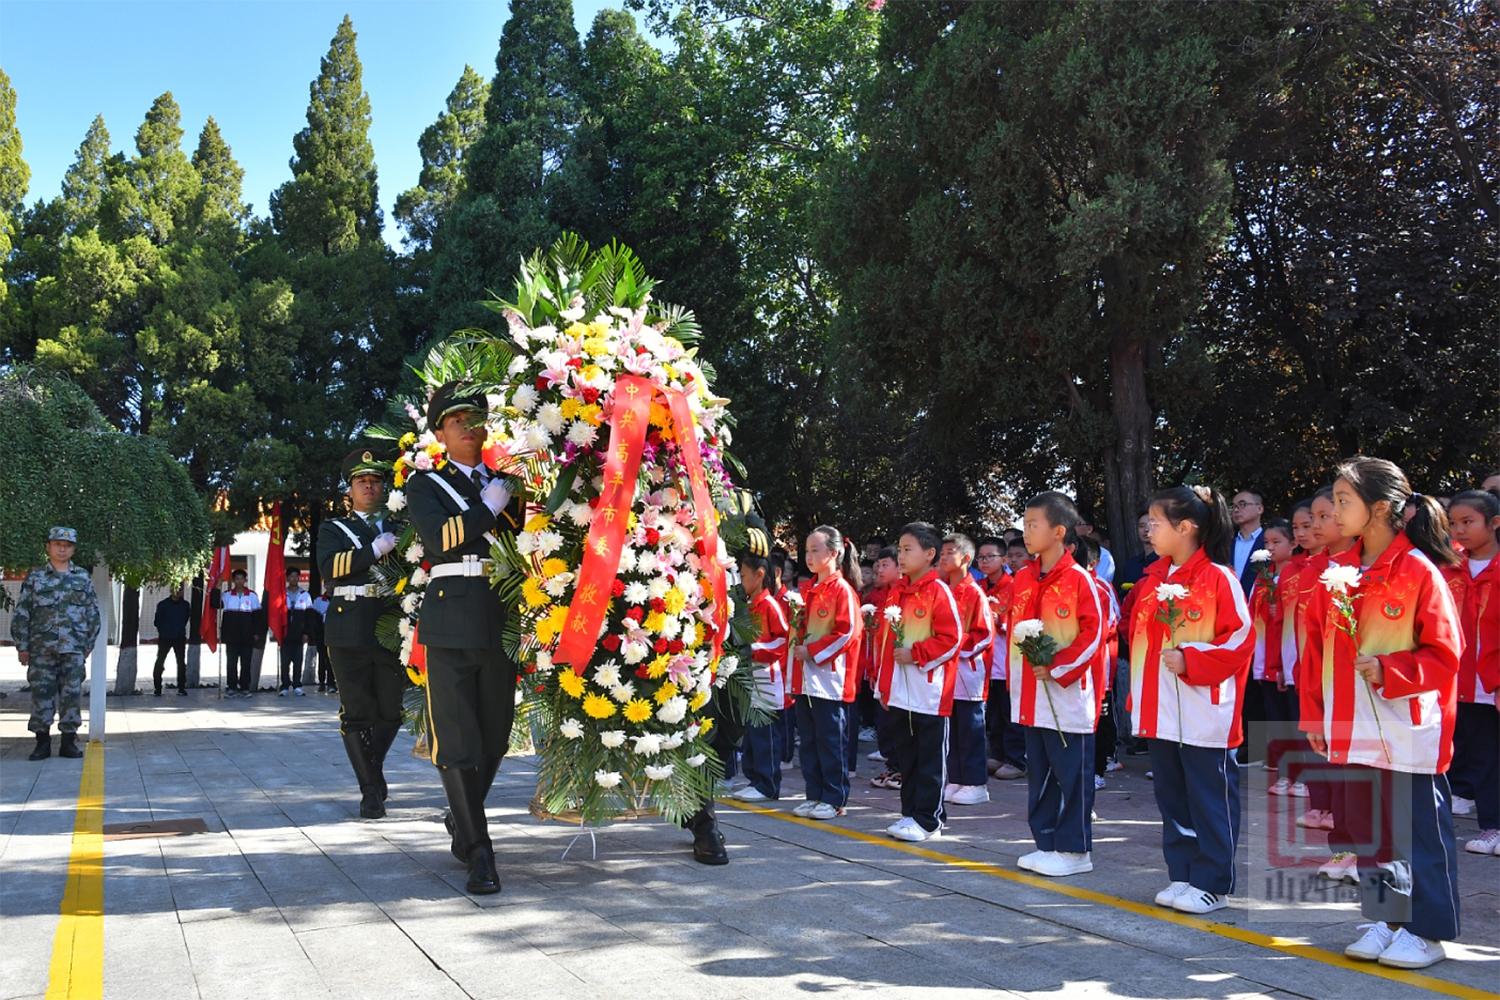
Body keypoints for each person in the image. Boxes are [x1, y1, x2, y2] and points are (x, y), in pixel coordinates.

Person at [1303, 458, 1463, 970]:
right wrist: (1315, 718)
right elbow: (1314, 653)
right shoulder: (1334, 575)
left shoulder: (1418, 571)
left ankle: (1429, 932)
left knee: (1416, 832)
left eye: (1344, 501)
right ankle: (1388, 919)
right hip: (1349, 726)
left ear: (1379, 509)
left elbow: (1444, 654)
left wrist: (1391, 670)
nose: (1334, 509)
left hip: (1406, 727)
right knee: (1370, 831)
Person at [406, 383, 527, 893]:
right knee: (456, 737)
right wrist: (487, 508)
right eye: (458, 420)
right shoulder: (425, 485)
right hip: (451, 617)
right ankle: (479, 849)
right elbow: (440, 540)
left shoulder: (509, 484)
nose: (470, 427)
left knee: (495, 735)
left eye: (477, 418)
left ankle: (463, 815)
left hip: (499, 614)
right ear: (440, 433)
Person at [1130, 485, 1253, 915]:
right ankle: (1183, 873)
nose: (1148, 529)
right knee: (1173, 796)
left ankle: (1213, 882)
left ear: (1186, 528)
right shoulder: (1153, 579)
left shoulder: (1218, 577)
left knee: (1209, 797)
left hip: (1203, 711)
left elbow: (1240, 640)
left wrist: (1191, 659)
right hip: (1160, 710)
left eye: (1156, 522)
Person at [1008, 493, 1105, 877]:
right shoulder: (1024, 578)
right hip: (1031, 693)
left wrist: (1060, 667)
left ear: (1059, 532)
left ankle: (1076, 850)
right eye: (1025, 524)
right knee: (1041, 773)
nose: (1026, 532)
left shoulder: (1080, 580)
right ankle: (1046, 843)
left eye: (1034, 525)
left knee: (1071, 775)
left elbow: (1094, 635)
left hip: (1066, 694)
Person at [318, 448, 406, 820]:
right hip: (348, 623)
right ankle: (370, 791)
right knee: (356, 713)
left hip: (390, 622)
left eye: (375, 481)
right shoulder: (333, 528)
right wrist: (373, 550)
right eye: (361, 481)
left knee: (391, 712)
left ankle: (372, 770)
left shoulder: (401, 526)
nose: (369, 486)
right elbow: (331, 567)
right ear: (349, 491)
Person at [871, 521, 962, 842]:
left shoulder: (939, 591)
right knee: (907, 758)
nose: (902, 555)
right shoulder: (896, 592)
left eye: (908, 549)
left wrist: (918, 653)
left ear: (930, 553)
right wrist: (882, 685)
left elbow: (952, 639)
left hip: (930, 693)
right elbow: (884, 643)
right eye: (900, 549)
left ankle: (929, 820)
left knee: (930, 759)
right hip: (898, 692)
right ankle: (910, 813)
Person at [789, 526, 863, 822]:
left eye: (815, 550)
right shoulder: (807, 590)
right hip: (806, 679)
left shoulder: (841, 590)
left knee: (831, 741)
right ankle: (814, 794)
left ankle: (834, 798)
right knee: (808, 741)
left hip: (830, 680)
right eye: (806, 550)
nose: (808, 556)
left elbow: (848, 633)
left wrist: (814, 650)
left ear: (833, 554)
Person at [1441, 489, 1500, 853]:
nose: (1459, 530)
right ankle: (1492, 826)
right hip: (1465, 682)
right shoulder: (1450, 567)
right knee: (1482, 755)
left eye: (1468, 522)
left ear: (1494, 524)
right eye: (1453, 523)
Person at [14, 527, 101, 761]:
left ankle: (68, 742)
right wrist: (22, 646)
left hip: (73, 648)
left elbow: (92, 612)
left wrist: (88, 643)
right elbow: (23, 613)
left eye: (68, 545)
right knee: (41, 695)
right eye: (58, 544)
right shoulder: (36, 578)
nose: (63, 549)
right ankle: (42, 743)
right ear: (48, 547)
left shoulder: (82, 576)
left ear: (73, 548)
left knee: (71, 695)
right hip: (41, 648)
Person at [940, 533, 995, 806]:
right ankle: (956, 779)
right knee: (953, 730)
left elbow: (984, 635)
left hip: (969, 673)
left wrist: (955, 648)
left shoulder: (975, 593)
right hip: (947, 674)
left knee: (971, 730)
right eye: (942, 553)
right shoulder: (943, 590)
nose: (943, 557)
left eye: (949, 552)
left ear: (965, 558)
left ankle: (976, 783)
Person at [734, 550, 791, 802]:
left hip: (767, 678)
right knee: (751, 732)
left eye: (743, 575)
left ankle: (767, 784)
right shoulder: (747, 605)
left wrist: (752, 650)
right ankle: (754, 779)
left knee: (765, 734)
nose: (740, 579)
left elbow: (782, 640)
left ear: (759, 576)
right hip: (751, 677)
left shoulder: (770, 605)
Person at [1253, 519, 1305, 795]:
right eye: (1266, 544)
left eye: (1277, 542)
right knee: (1277, 721)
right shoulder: (1263, 576)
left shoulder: (1301, 573)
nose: (1270, 548)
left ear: (1293, 544)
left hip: (1291, 659)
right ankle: (1284, 773)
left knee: (1297, 720)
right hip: (1267, 659)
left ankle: (1303, 775)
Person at [977, 537, 1026, 780]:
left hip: (1008, 661)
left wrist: (1001, 622)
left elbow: (1023, 621)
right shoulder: (978, 586)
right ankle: (997, 754)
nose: (984, 561)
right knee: (993, 713)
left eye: (990, 557)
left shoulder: (1015, 586)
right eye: (981, 557)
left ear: (1004, 560)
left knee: (1011, 712)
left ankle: (1016, 759)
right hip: (987, 662)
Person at [866, 547, 905, 788]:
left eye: (885, 565)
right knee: (885, 721)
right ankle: (892, 767)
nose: (879, 570)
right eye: (877, 565)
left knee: (898, 721)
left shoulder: (904, 592)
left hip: (900, 669)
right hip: (881, 667)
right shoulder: (883, 595)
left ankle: (903, 770)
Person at [214, 569, 259, 697]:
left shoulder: (252, 596)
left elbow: (257, 616)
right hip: (231, 636)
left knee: (246, 663)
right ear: (233, 580)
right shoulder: (227, 595)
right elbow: (214, 603)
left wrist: (256, 633)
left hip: (247, 636)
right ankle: (232, 687)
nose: (239, 581)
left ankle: (245, 687)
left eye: (242, 579)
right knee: (231, 663)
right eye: (237, 579)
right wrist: (218, 585)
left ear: (246, 580)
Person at [278, 568, 314, 696]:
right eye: (291, 576)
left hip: (299, 634)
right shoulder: (282, 594)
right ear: (287, 578)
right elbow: (277, 615)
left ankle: (297, 685)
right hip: (285, 633)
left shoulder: (305, 595)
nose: (294, 579)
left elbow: (309, 617)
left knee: (298, 661)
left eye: (296, 576)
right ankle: (284, 686)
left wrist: (307, 633)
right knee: (284, 661)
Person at [152, 584, 191, 697]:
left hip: (179, 637)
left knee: (181, 663)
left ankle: (181, 688)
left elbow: (185, 619)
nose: (178, 592)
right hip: (165, 637)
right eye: (175, 589)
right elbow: (157, 621)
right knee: (160, 661)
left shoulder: (185, 605)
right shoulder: (163, 605)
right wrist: (164, 630)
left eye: (180, 589)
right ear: (170, 590)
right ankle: (157, 688)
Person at [1231, 491, 1268, 594]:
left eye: (1242, 504)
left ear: (1259, 509)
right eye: (1234, 506)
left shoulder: (1270, 543)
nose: (1236, 510)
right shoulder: (1227, 544)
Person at [1076, 513, 1115, 584]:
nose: (1072, 527)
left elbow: (1098, 583)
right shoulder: (1066, 550)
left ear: (1089, 529)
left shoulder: (1104, 555)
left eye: (1077, 523)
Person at [310, 589, 333, 693]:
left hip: (335, 634)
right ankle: (322, 682)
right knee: (322, 659)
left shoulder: (338, 598)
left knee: (332, 659)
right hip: (322, 634)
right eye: (328, 584)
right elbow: (315, 619)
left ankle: (332, 683)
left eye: (332, 583)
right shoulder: (319, 600)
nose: (330, 586)